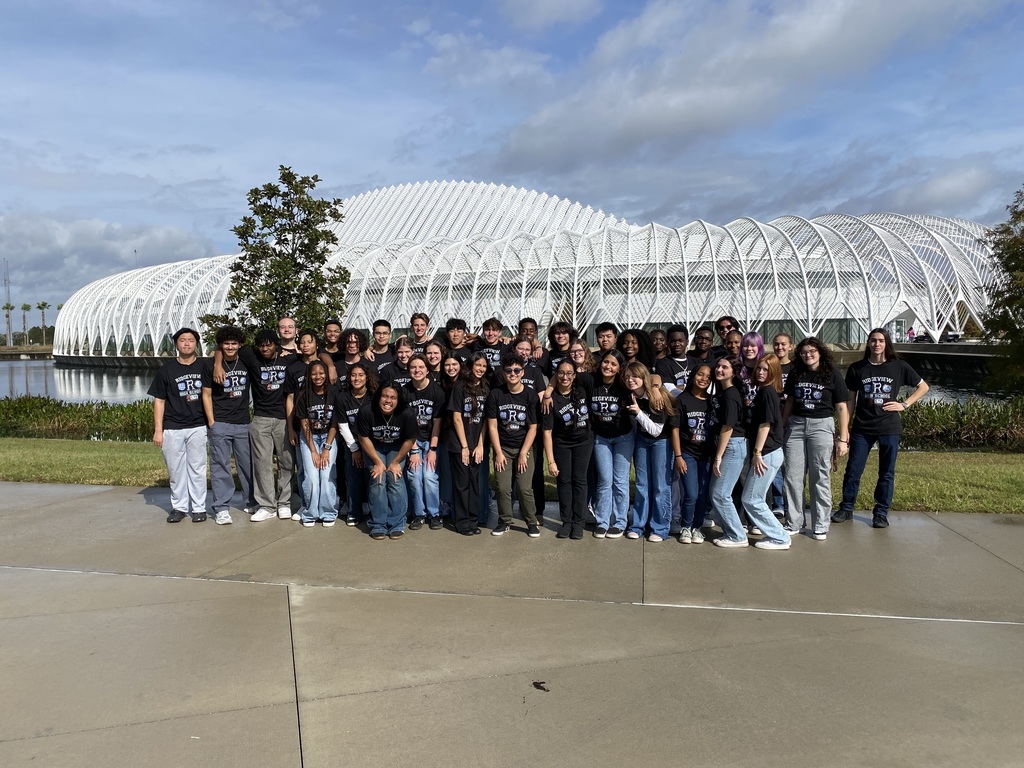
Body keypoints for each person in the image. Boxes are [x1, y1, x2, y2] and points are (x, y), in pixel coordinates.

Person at [833, 328, 930, 528]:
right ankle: (847, 507)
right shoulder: (857, 368)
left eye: (881, 341)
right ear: (868, 343)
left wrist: (904, 404)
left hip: (889, 427)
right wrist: (846, 429)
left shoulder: (898, 366)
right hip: (863, 427)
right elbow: (850, 400)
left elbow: (923, 387)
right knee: (853, 470)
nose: (877, 344)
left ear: (886, 344)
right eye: (873, 341)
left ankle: (881, 512)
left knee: (886, 472)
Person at [782, 337, 849, 540]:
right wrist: (783, 426)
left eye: (812, 351)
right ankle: (794, 521)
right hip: (796, 424)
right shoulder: (796, 373)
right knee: (792, 476)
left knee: (820, 476)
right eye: (803, 352)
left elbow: (842, 407)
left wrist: (843, 439)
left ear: (820, 352)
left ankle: (821, 524)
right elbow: (790, 402)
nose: (808, 355)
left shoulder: (832, 375)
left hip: (821, 426)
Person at [226, 329, 293, 522]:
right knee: (262, 463)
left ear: (276, 345)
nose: (265, 348)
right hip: (261, 418)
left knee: (286, 462)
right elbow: (226, 347)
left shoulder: (288, 359)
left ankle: (284, 503)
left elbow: (316, 354)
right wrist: (217, 364)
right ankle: (267, 505)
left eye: (269, 345)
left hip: (283, 419)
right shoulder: (251, 357)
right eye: (261, 345)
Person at [149, 327, 208, 523]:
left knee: (197, 468)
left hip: (198, 425)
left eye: (191, 340)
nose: (186, 344)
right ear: (176, 344)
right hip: (173, 427)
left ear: (196, 344)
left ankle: (199, 508)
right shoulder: (167, 370)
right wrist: (159, 430)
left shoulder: (204, 367)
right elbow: (159, 400)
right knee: (175, 470)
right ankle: (179, 507)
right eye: (182, 340)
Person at [201, 325, 254, 525]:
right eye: (226, 344)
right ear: (220, 345)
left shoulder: (246, 361)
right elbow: (206, 395)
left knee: (248, 466)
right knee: (220, 466)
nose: (230, 347)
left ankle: (251, 501)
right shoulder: (211, 366)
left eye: (234, 343)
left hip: (243, 423)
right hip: (220, 423)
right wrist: (212, 422)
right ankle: (222, 507)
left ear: (239, 345)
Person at [738, 355, 792, 550]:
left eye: (766, 370)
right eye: (759, 369)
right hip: (766, 451)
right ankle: (777, 534)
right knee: (753, 498)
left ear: (774, 373)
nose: (761, 372)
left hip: (767, 452)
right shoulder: (763, 391)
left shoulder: (768, 392)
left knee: (752, 499)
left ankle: (780, 537)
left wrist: (757, 452)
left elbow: (765, 425)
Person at [486, 353, 541, 537]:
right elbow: (492, 426)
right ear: (503, 373)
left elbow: (533, 427)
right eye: (509, 370)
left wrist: (524, 453)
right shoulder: (496, 394)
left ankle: (532, 522)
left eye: (517, 370)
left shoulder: (530, 395)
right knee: (502, 488)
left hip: (523, 447)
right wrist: (498, 452)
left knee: (524, 488)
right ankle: (504, 520)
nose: (513, 373)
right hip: (503, 448)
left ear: (522, 372)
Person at [356, 384, 417, 540]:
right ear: (378, 397)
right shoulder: (366, 411)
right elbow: (363, 438)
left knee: (394, 477)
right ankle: (378, 524)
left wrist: (396, 462)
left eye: (393, 397)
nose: (388, 400)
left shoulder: (407, 413)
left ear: (398, 400)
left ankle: (397, 523)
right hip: (374, 446)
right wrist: (377, 462)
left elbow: (410, 440)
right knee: (378, 478)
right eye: (385, 396)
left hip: (397, 447)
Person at [542, 360, 594, 539]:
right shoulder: (550, 400)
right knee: (564, 481)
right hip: (562, 443)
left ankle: (578, 523)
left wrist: (549, 386)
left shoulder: (582, 389)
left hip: (583, 442)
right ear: (556, 375)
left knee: (579, 481)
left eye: (569, 373)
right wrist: (551, 461)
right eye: (561, 373)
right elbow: (547, 432)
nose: (565, 377)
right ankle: (567, 521)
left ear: (574, 375)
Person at [623, 362, 674, 541]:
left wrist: (638, 412)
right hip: (642, 441)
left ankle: (660, 528)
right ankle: (637, 525)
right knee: (642, 484)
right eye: (627, 376)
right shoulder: (630, 395)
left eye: (634, 376)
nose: (631, 380)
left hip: (661, 442)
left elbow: (655, 430)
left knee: (661, 486)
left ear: (644, 377)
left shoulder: (656, 396)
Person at [588, 350, 633, 538]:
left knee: (620, 481)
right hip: (601, 438)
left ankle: (620, 521)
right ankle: (602, 521)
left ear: (619, 368)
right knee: (605, 480)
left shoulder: (624, 386)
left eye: (613, 364)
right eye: (606, 362)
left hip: (623, 437)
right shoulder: (592, 382)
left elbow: (648, 381)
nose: (608, 366)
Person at [670, 363, 713, 543]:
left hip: (707, 454)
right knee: (691, 493)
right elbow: (675, 430)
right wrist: (678, 456)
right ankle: (685, 526)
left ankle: (697, 527)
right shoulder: (682, 399)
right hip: (688, 452)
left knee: (703, 493)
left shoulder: (712, 401)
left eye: (708, 377)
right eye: (700, 374)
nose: (703, 379)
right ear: (693, 376)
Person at [448, 353, 490, 535]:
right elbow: (457, 418)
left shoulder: (486, 388)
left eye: (484, 366)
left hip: (477, 442)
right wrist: (465, 447)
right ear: (470, 366)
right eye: (478, 365)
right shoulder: (459, 388)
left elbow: (486, 420)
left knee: (474, 482)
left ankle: (473, 520)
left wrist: (480, 444)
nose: (481, 369)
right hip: (460, 443)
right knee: (461, 483)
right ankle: (462, 521)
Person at [709, 356, 748, 547]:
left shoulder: (731, 395)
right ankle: (730, 531)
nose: (719, 369)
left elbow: (728, 427)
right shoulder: (721, 392)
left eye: (725, 367)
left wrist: (718, 456)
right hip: (726, 444)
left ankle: (737, 535)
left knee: (720, 493)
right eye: (718, 366)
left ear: (734, 371)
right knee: (717, 492)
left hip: (732, 445)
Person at [403, 354, 446, 530]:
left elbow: (437, 422)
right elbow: (405, 422)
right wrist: (413, 450)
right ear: (408, 370)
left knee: (429, 476)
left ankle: (434, 514)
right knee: (414, 476)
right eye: (413, 367)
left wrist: (433, 449)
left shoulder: (437, 391)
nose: (417, 370)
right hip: (411, 440)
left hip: (430, 440)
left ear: (428, 370)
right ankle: (418, 514)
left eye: (421, 367)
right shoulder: (404, 391)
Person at [295, 360, 338, 527]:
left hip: (329, 437)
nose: (317, 376)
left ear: (326, 374)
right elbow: (305, 425)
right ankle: (310, 513)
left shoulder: (333, 393)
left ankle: (328, 511)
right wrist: (313, 451)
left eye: (321, 373)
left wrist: (326, 448)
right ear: (308, 375)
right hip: (309, 439)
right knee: (312, 476)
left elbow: (335, 423)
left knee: (327, 475)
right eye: (314, 373)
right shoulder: (303, 395)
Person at [334, 361, 376, 526]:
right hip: (352, 445)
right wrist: (355, 449)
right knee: (353, 479)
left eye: (360, 375)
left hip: (372, 445)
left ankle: (375, 511)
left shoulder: (374, 396)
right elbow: (342, 426)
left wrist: (368, 448)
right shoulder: (342, 397)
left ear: (367, 377)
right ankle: (354, 512)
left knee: (372, 479)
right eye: (353, 375)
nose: (357, 378)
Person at [770, 333, 795, 517]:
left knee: (791, 463)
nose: (780, 348)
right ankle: (778, 502)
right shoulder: (770, 367)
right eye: (776, 344)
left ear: (790, 347)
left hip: (793, 420)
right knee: (776, 463)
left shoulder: (795, 368)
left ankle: (791, 502)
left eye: (783, 344)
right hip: (773, 419)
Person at [656, 324, 696, 397]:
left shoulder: (696, 362)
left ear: (687, 342)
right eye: (673, 341)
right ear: (668, 343)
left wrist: (683, 387)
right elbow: (671, 390)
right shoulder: (662, 364)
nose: (677, 344)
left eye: (680, 341)